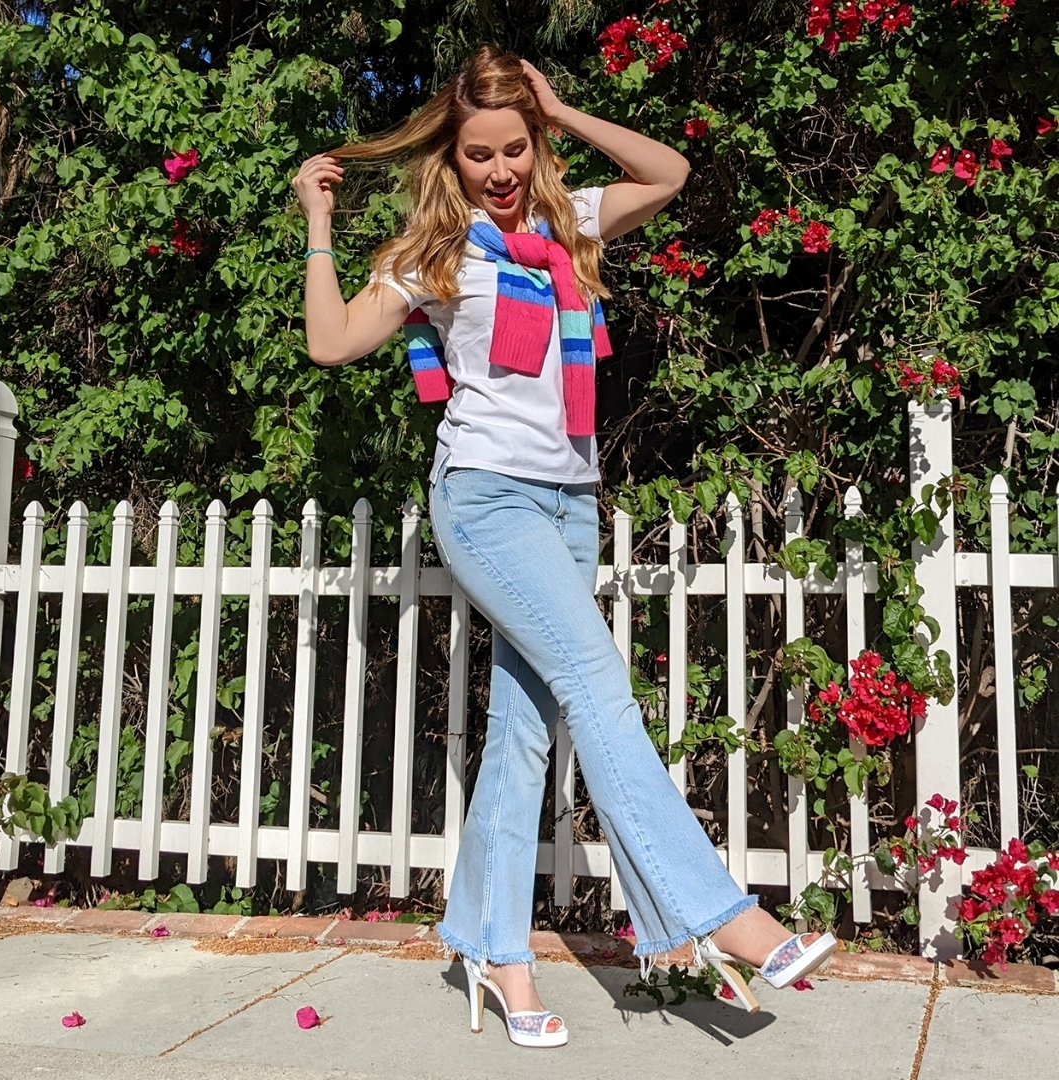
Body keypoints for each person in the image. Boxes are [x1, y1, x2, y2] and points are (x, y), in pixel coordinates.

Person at [293, 45, 835, 1049]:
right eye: (479, 154)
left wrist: (566, 108)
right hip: (485, 499)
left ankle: (494, 952)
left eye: (515, 148)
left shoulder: (568, 223)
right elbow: (331, 342)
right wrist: (320, 225)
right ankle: (719, 914)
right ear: (451, 159)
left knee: (526, 730)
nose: (499, 170)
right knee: (597, 684)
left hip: (569, 502)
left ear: (533, 143)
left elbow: (668, 173)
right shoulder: (433, 254)